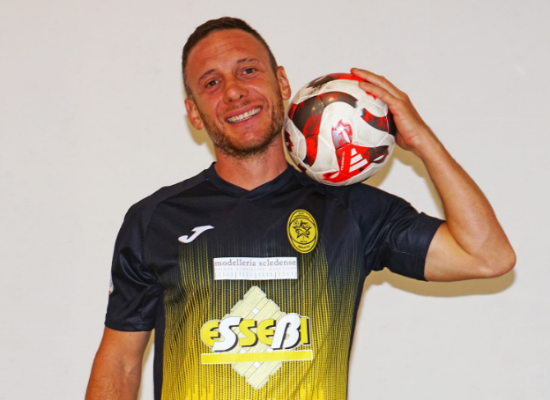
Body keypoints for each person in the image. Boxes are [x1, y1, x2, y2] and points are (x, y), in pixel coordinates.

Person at [85, 17, 515, 400]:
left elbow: (487, 256)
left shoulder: (351, 210)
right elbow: (120, 363)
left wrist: (423, 141)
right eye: (211, 83)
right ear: (194, 113)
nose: (233, 91)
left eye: (248, 71)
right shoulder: (155, 220)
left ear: (283, 83)